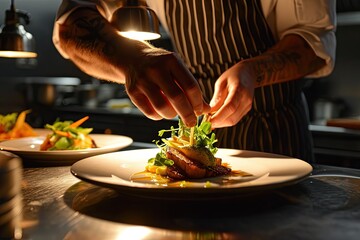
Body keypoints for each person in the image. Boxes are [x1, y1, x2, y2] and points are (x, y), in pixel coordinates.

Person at [53, 0, 336, 162]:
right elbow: (70, 27)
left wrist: (253, 71)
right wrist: (131, 59)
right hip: (192, 128)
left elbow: (315, 43)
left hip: (277, 135)